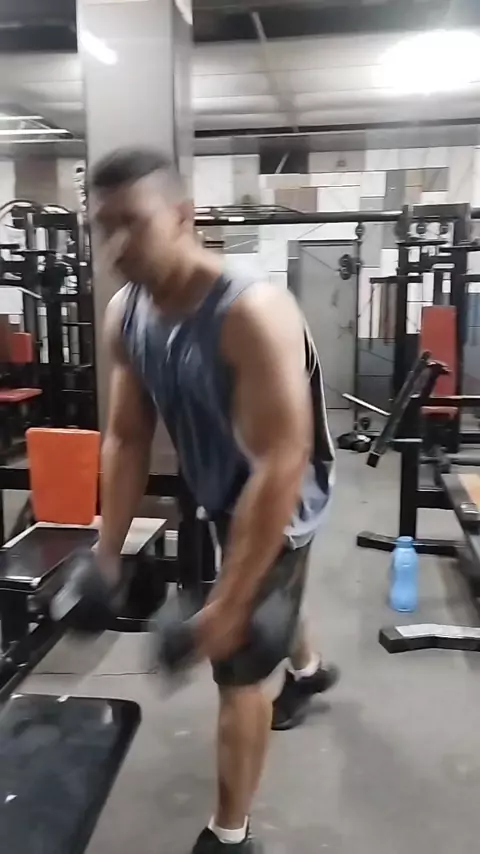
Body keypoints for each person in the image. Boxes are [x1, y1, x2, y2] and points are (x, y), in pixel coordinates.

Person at [90, 148, 339, 853]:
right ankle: (310, 669)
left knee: (239, 663)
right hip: (217, 480)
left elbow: (280, 462)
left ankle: (230, 835)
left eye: (133, 223)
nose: (116, 245)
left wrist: (227, 609)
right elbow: (126, 437)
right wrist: (106, 554)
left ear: (182, 216)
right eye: (103, 227)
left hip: (280, 491)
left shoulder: (250, 313)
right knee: (267, 605)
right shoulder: (126, 312)